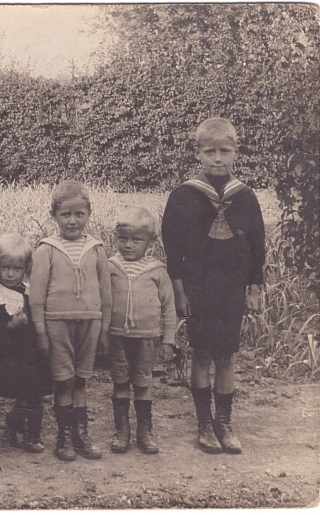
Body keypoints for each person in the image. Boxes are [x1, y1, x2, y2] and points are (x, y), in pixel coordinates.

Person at [161, 118, 265, 455]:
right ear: (199, 154)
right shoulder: (184, 195)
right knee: (202, 352)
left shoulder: (246, 197)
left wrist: (253, 289)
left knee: (226, 355)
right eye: (210, 152)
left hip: (231, 286)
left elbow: (257, 246)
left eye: (224, 151)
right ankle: (204, 424)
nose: (217, 158)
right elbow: (172, 249)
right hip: (198, 287)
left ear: (236, 152)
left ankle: (224, 422)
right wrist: (179, 292)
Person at [29, 180, 111, 462]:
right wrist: (40, 329)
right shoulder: (46, 249)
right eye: (65, 215)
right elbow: (36, 296)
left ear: (89, 213)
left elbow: (106, 293)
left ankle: (81, 435)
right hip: (57, 324)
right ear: (54, 215)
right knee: (63, 380)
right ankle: (63, 437)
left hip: (91, 322)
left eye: (79, 214)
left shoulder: (97, 249)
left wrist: (105, 329)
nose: (73, 221)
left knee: (81, 379)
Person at [107, 207, 177, 454]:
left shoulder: (157, 270)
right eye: (122, 239)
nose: (128, 245)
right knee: (120, 380)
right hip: (116, 336)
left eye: (136, 240)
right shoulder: (110, 267)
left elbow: (169, 306)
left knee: (143, 382)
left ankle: (144, 431)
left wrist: (168, 340)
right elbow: (103, 302)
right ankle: (122, 431)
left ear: (151, 241)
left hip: (147, 338)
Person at [0, 234, 50, 454]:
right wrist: (11, 325)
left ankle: (32, 433)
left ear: (26, 269)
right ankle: (17, 425)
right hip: (5, 355)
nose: (11, 274)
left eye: (17, 269)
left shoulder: (28, 292)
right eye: (5, 268)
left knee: (34, 390)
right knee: (23, 384)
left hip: (28, 354)